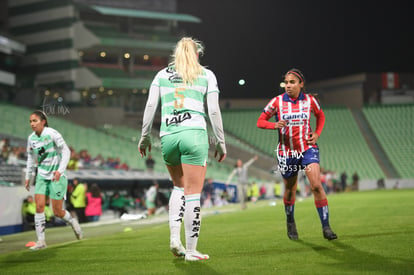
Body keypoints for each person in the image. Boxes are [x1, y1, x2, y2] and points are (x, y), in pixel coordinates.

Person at [138, 37, 226, 261]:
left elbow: (150, 106)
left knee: (178, 187)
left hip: (168, 136)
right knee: (193, 194)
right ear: (197, 54)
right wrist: (220, 141)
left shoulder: (161, 75)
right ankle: (191, 250)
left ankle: (174, 238)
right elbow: (214, 111)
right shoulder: (206, 75)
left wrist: (145, 137)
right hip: (194, 134)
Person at [257, 68, 337, 241]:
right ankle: (290, 221)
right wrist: (274, 125)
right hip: (287, 152)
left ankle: (326, 227)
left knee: (316, 185)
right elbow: (260, 121)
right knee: (290, 189)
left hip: (308, 149)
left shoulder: (310, 101)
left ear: (301, 84)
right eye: (286, 82)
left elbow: (320, 116)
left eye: (292, 82)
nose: (288, 86)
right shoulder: (277, 102)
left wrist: (316, 134)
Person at [25, 110, 83, 250]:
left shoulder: (52, 133)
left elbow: (66, 151)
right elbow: (31, 158)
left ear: (43, 121)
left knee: (57, 211)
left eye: (35, 121)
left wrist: (60, 170)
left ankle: (73, 221)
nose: (32, 124)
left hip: (57, 177)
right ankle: (41, 241)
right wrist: (28, 176)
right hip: (41, 176)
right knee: (39, 207)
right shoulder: (31, 139)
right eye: (30, 121)